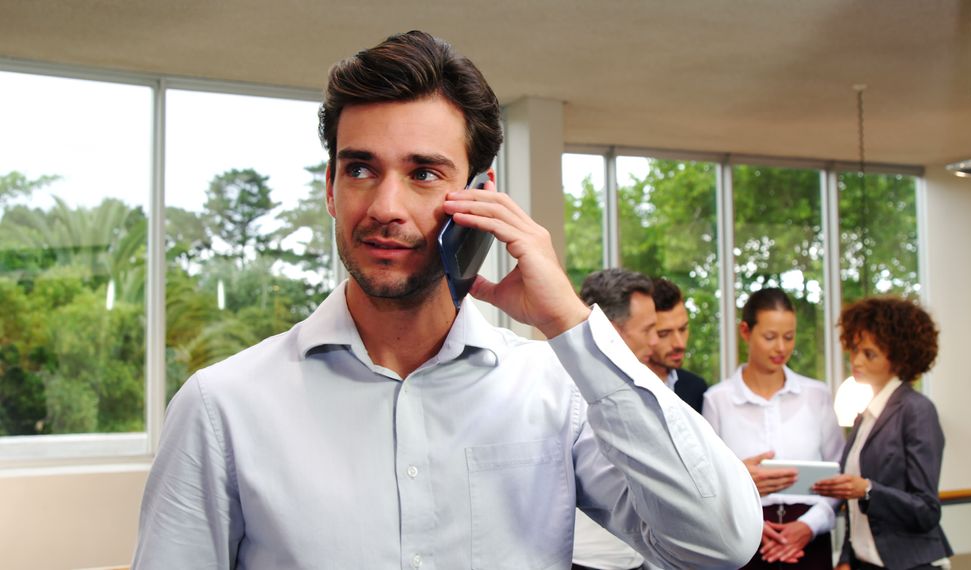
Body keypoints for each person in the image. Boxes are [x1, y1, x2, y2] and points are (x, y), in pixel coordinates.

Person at [132, 31, 761, 569]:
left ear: (480, 195)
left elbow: (718, 543)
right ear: (330, 188)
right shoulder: (223, 408)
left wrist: (569, 322)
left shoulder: (553, 392)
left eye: (424, 173)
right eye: (359, 169)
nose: (385, 207)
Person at [702, 288, 844, 568]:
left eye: (788, 337)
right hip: (744, 537)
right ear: (745, 331)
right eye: (770, 337)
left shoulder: (817, 395)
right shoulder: (717, 400)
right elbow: (708, 480)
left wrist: (809, 526)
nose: (781, 348)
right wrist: (751, 524)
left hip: (809, 539)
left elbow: (839, 474)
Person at [812, 297, 953, 570]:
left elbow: (926, 510)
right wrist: (845, 558)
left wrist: (867, 489)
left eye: (869, 353)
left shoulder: (917, 410)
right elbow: (855, 510)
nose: (856, 361)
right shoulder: (865, 416)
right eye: (853, 350)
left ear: (898, 359)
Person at [572, 268, 658, 570]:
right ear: (612, 329)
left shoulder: (641, 390)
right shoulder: (563, 392)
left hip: (637, 562)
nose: (655, 341)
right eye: (647, 329)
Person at [647, 277, 709, 413]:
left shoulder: (697, 389)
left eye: (683, 329)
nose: (679, 343)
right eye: (664, 333)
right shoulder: (620, 391)